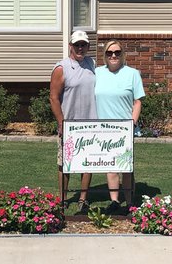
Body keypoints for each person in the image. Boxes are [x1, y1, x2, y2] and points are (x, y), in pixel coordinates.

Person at [49, 30, 97, 215]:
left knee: (88, 163)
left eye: (83, 44)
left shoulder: (92, 64)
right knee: (65, 164)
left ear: (88, 47)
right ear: (70, 46)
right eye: (76, 44)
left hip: (91, 123)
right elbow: (53, 98)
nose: (80, 48)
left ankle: (82, 200)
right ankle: (62, 200)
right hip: (70, 124)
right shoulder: (61, 68)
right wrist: (61, 123)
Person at [94, 40, 144, 214]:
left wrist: (133, 122)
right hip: (103, 128)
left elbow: (138, 101)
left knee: (126, 167)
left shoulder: (132, 74)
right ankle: (114, 201)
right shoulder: (97, 73)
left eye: (117, 52)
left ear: (122, 54)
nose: (113, 56)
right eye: (109, 53)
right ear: (105, 56)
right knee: (111, 165)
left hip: (125, 128)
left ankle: (130, 202)